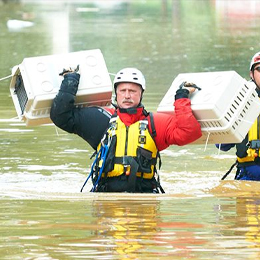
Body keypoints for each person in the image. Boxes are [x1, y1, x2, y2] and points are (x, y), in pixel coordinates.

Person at [50, 67, 202, 193]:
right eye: (123, 90)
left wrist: (181, 98)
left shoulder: (155, 123)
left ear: (141, 93)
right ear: (116, 93)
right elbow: (61, 116)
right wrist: (70, 81)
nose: (127, 96)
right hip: (106, 194)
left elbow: (189, 133)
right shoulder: (100, 119)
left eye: (133, 91)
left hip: (144, 194)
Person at [217, 51, 260, 181]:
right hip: (248, 175)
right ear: (251, 74)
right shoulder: (240, 102)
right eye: (259, 69)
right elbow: (221, 146)